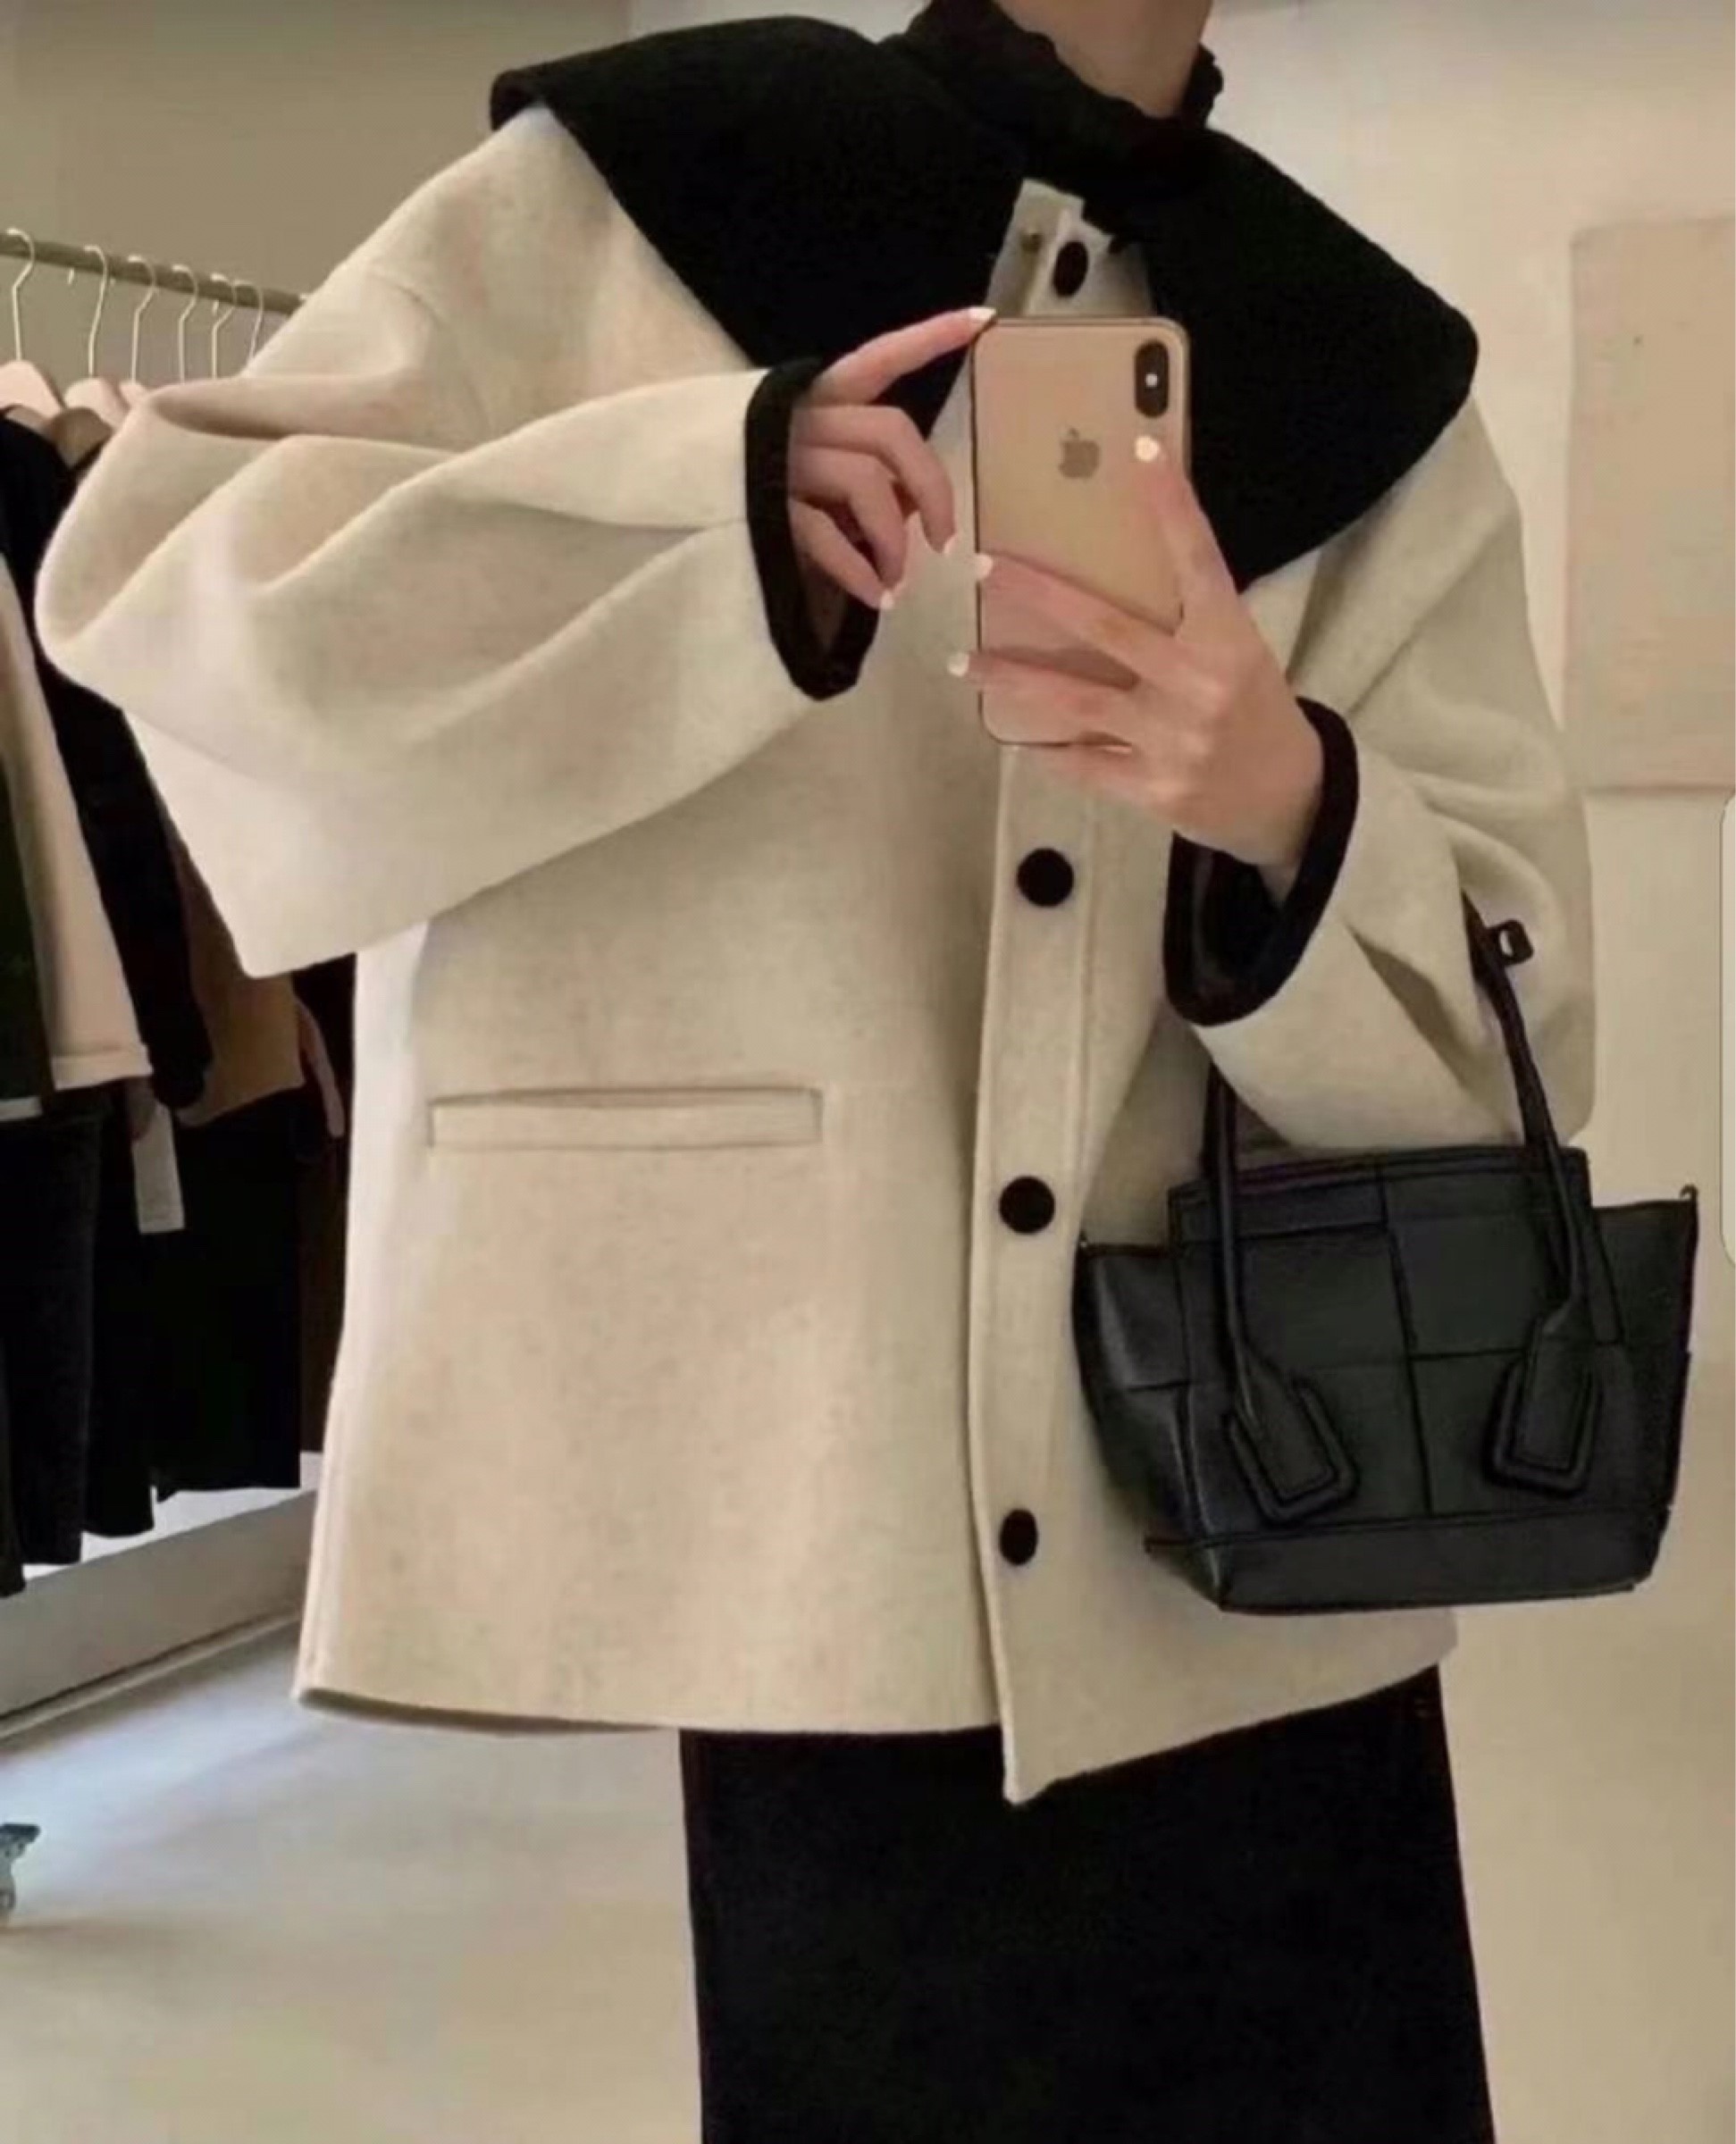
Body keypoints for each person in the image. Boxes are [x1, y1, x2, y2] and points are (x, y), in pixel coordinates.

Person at [38, 0, 1592, 2134]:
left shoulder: (1362, 359)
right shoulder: (653, 182)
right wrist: (697, 508)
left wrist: (1289, 801)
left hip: (1265, 1508)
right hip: (812, 1480)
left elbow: (1525, 1026)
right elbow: (167, 586)